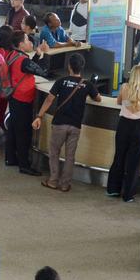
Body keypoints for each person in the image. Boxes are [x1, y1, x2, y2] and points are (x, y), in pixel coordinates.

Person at [33, 54, 101, 191]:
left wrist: (39, 116)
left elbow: (49, 100)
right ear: (82, 67)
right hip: (75, 125)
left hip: (59, 123)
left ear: (69, 66)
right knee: (70, 156)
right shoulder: (87, 84)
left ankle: (52, 181)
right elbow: (98, 99)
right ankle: (65, 184)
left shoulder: (61, 81)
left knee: (54, 152)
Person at [106, 65, 140, 202]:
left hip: (124, 125)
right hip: (139, 127)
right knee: (134, 162)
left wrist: (130, 102)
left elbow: (119, 101)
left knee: (119, 157)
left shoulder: (125, 87)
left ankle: (113, 189)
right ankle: (128, 195)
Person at [5, 31, 49, 176]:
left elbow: (30, 67)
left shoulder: (13, 55)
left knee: (12, 128)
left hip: (13, 96)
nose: (29, 42)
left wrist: (36, 55)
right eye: (26, 40)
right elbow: (42, 71)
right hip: (22, 100)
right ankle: (24, 165)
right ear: (20, 44)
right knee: (23, 132)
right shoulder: (22, 60)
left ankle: (10, 158)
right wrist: (42, 54)